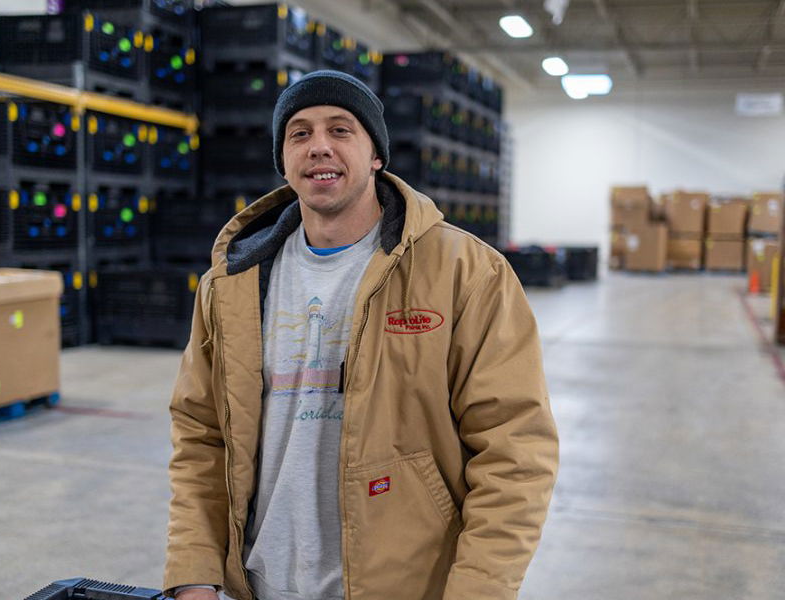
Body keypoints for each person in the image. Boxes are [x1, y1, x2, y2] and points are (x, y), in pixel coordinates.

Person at [164, 70, 558, 600]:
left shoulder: (465, 271)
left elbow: (515, 450)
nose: (319, 146)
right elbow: (200, 434)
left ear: (376, 154)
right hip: (262, 584)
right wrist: (193, 573)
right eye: (299, 133)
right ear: (283, 160)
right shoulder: (232, 282)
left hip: (405, 584)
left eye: (341, 130)